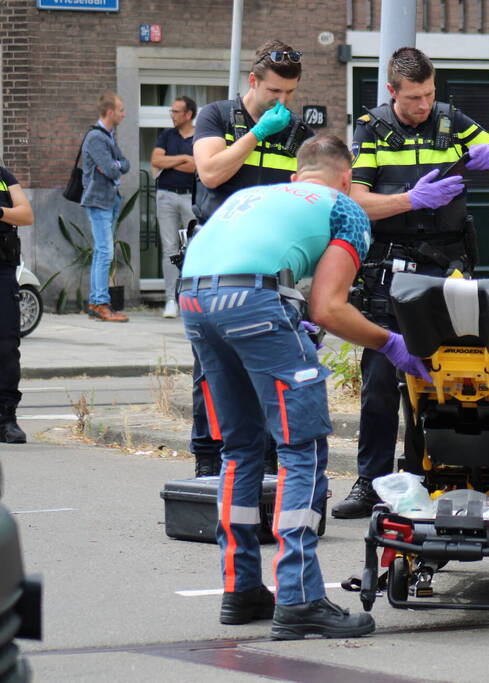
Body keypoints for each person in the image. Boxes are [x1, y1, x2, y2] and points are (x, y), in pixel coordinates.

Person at [179, 134, 429, 639]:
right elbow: (329, 308)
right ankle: (299, 599)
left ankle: (240, 587)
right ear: (346, 179)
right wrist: (390, 344)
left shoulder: (255, 195)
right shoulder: (345, 209)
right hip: (251, 300)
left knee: (240, 448)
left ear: (297, 177)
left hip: (194, 299)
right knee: (303, 448)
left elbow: (286, 281)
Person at [331, 46, 489, 519]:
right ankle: (371, 482)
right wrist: (411, 200)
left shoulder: (451, 121)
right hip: (390, 272)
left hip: (446, 270)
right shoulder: (371, 130)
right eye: (414, 97)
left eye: (429, 94)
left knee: (452, 379)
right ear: (392, 91)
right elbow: (357, 201)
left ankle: (436, 475)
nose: (423, 105)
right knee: (380, 382)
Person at [189, 39, 314, 478]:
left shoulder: (298, 132)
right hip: (217, 262)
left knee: (271, 366)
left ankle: (265, 463)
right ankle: (208, 462)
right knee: (213, 368)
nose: (282, 103)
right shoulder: (217, 117)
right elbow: (210, 172)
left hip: (273, 267)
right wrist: (257, 134)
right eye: (274, 92)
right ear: (253, 81)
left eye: (290, 94)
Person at [81, 92, 130, 323]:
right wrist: (114, 166)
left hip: (109, 199)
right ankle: (101, 304)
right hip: (99, 200)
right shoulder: (96, 138)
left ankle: (95, 302)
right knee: (105, 252)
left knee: (102, 252)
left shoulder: (108, 136)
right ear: (110, 112)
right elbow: (111, 170)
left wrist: (114, 164)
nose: (124, 114)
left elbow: (125, 164)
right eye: (121, 110)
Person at [150, 95, 197, 319]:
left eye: (176, 111)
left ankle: (190, 297)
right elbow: (156, 161)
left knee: (193, 247)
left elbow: (197, 166)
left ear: (188, 114)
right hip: (166, 196)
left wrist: (172, 161)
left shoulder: (200, 137)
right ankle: (171, 299)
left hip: (190, 198)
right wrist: (183, 158)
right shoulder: (166, 136)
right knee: (170, 249)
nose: (172, 115)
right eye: (172, 111)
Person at [0, 164, 34, 443]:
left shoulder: (3, 176)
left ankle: (6, 418)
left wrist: (0, 212)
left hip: (2, 269)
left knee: (6, 346)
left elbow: (25, 214)